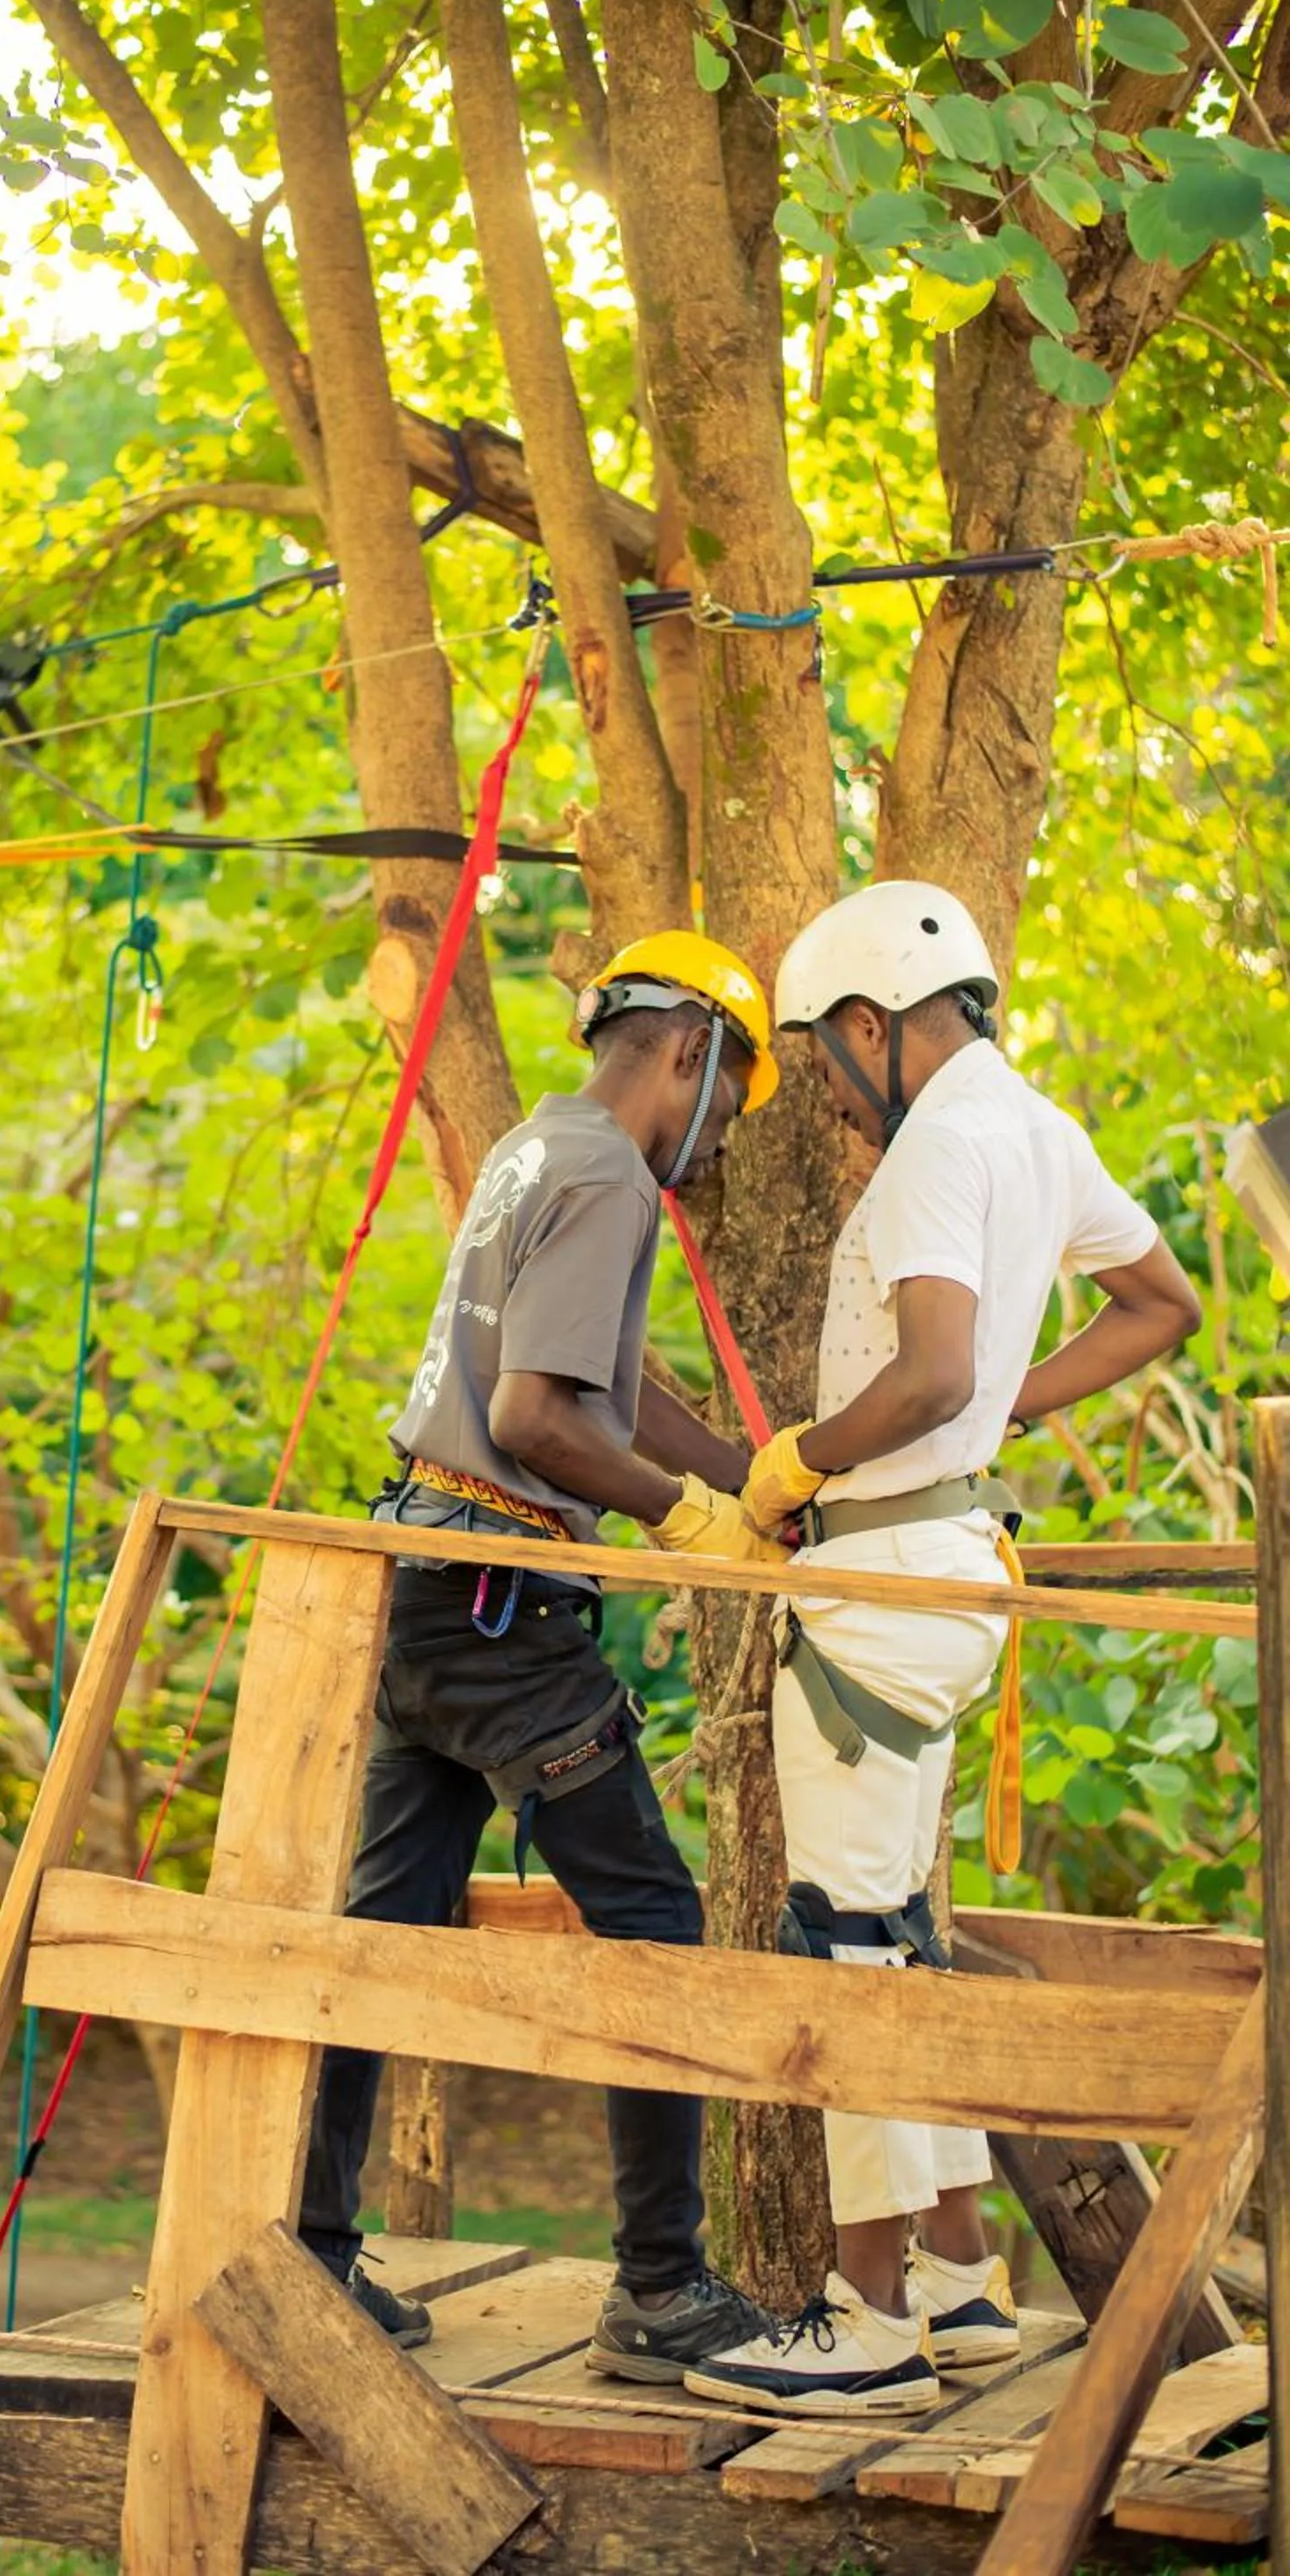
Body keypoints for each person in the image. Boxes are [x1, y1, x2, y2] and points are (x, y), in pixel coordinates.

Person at [680, 879, 1203, 2422]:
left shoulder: (930, 1153)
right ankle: (963, 2286)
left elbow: (924, 1374)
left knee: (844, 1946)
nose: (835, 1102)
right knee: (898, 1929)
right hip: (953, 1566)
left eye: (831, 1067)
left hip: (882, 1576)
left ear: (868, 1026)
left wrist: (796, 1461)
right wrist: (1004, 1416)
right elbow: (1153, 1303)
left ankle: (865, 2317)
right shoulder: (1034, 1129)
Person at [298, 930, 790, 2380]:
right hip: (502, 1609)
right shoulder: (607, 1175)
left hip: (426, 1586)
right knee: (654, 1927)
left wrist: (757, 1476)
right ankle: (659, 2288)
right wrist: (688, 1520)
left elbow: (613, 1384)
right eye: (729, 1110)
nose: (713, 1153)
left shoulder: (539, 1147)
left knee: (379, 1936)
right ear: (690, 1058)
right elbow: (537, 1420)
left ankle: (313, 2254)